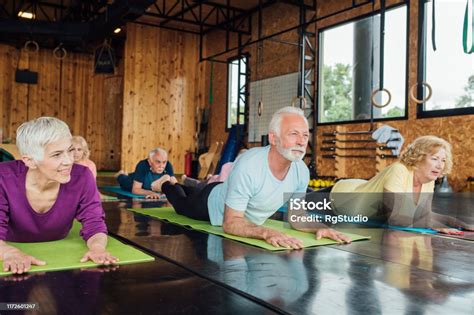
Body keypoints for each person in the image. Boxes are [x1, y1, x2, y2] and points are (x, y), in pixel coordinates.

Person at [158, 106, 351, 249]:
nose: (301, 142)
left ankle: (182, 184)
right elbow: (231, 222)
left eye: (305, 136)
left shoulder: (301, 170)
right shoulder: (249, 164)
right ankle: (166, 183)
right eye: (293, 134)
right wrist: (266, 232)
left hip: (229, 191)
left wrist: (320, 227)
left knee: (191, 190)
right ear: (273, 138)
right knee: (181, 203)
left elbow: (297, 216)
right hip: (211, 204)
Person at [0, 117, 117, 274]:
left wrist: (97, 248)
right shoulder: (3, 176)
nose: (69, 161)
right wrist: (10, 253)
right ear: (30, 161)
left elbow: (94, 222)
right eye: (57, 155)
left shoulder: (82, 176)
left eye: (69, 150)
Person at [329, 135, 473, 232]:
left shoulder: (428, 179)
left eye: (443, 160)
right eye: (435, 159)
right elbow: (395, 219)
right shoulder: (399, 170)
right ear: (418, 157)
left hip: (362, 189)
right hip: (342, 196)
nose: (440, 165)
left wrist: (458, 223)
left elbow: (425, 215)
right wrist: (436, 226)